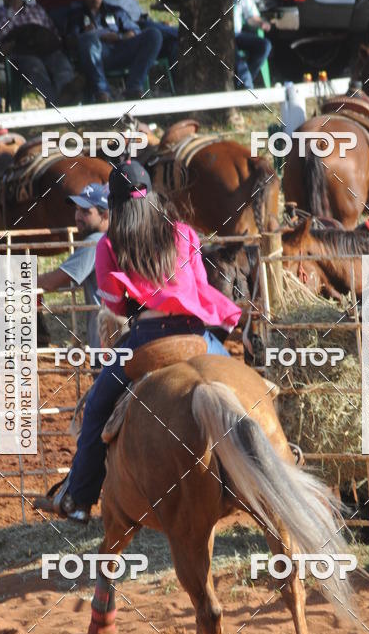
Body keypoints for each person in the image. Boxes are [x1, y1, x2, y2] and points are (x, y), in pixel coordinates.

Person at [39, 159, 240, 527]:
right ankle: (278, 456)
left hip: (146, 338)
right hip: (197, 335)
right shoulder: (183, 233)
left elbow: (114, 305)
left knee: (97, 410)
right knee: (246, 389)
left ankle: (80, 499)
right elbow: (199, 287)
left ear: (113, 206)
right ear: (152, 197)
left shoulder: (110, 245)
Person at [0, 0, 84, 107]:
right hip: (20, 54)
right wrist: (12, 16)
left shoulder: (37, 10)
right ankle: (57, 104)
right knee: (35, 67)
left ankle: (67, 93)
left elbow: (52, 32)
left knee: (61, 64)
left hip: (47, 49)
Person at [68, 0, 162, 103]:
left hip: (120, 49)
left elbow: (134, 31)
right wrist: (94, 36)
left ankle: (134, 87)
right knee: (88, 40)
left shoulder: (115, 11)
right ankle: (102, 92)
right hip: (95, 54)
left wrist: (119, 37)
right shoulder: (76, 15)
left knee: (154, 34)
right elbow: (72, 40)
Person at [37, 183, 109, 350]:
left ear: (104, 215)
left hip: (105, 344)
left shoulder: (95, 242)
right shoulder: (114, 237)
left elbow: (53, 281)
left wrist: (15, 284)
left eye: (85, 212)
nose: (78, 216)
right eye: (77, 210)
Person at [101, 0, 178, 66]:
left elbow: (144, 16)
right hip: (134, 32)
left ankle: (177, 79)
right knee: (151, 28)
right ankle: (180, 33)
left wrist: (160, 23)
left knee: (173, 43)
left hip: (147, 26)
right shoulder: (104, 1)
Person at [233, 0, 272, 90]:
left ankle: (243, 83)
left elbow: (251, 17)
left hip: (237, 34)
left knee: (264, 46)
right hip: (218, 37)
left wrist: (261, 23)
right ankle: (247, 87)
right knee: (236, 57)